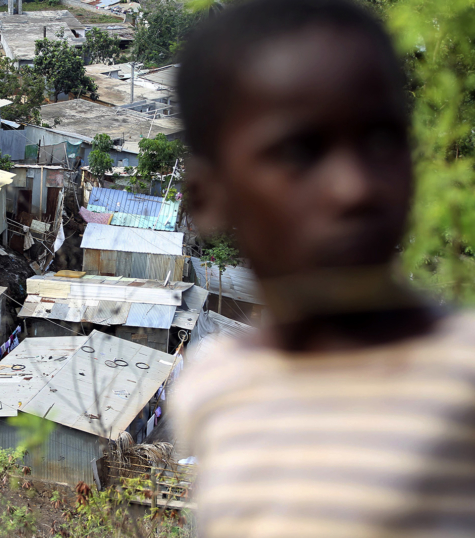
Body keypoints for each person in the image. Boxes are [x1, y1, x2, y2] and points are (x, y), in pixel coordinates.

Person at [172, 0, 475, 536]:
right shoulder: (214, 389)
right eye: (301, 151)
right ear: (208, 196)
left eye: (382, 139)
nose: (355, 188)